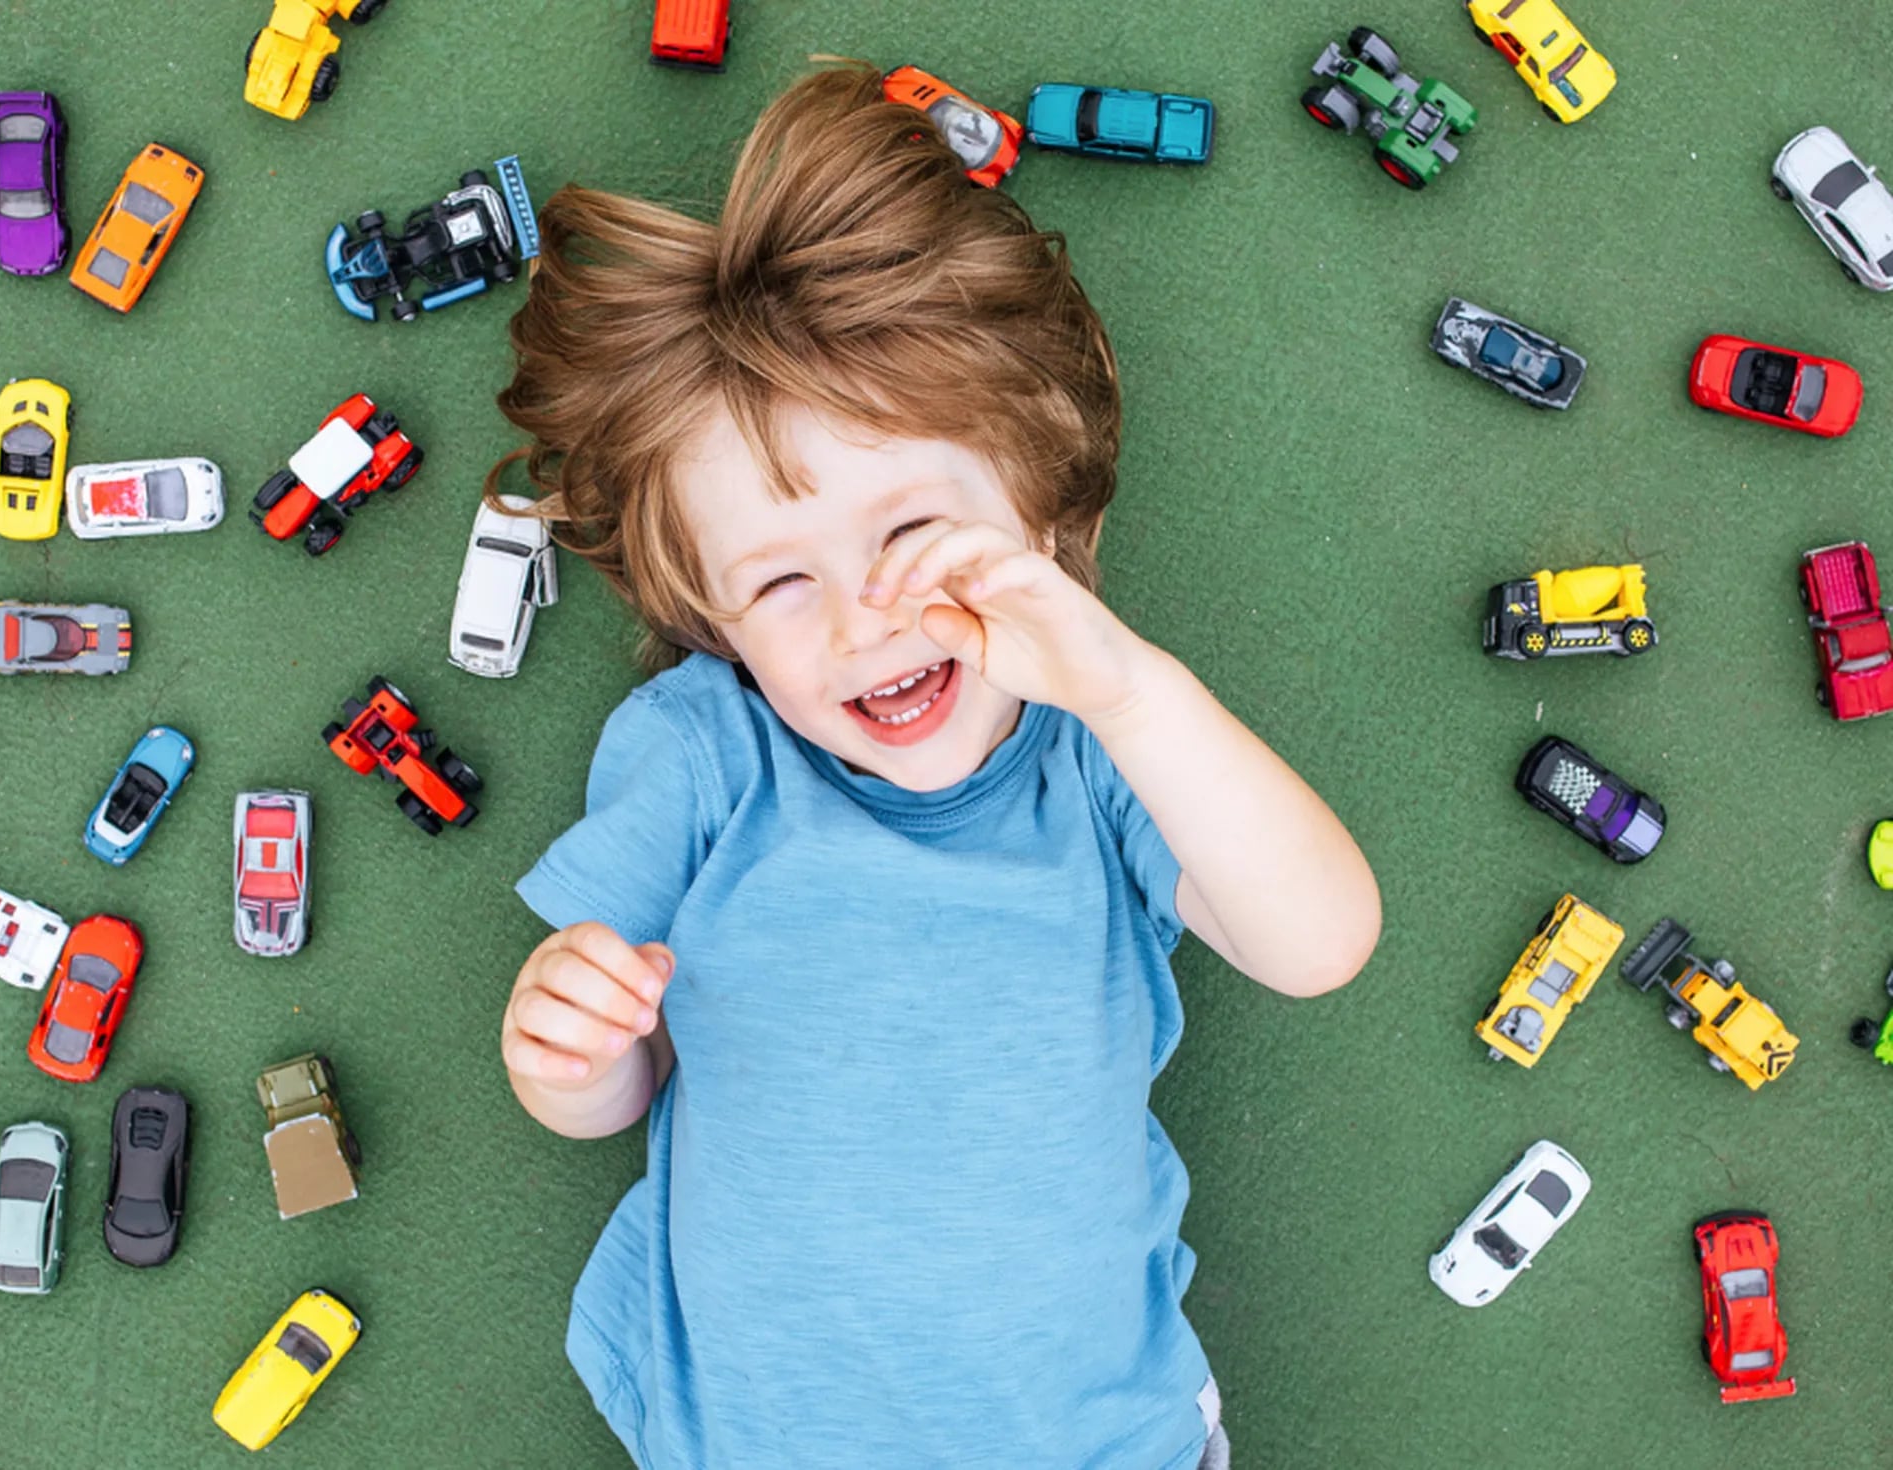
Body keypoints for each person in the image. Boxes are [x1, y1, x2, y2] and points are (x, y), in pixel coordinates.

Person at [492, 61, 1381, 1470]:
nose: (862, 619)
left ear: (1037, 498)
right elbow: (623, 1090)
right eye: (776, 585)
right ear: (711, 620)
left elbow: (1321, 938)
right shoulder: (708, 756)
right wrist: (569, 1047)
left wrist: (1134, 691)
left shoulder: (1099, 754)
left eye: (913, 538)